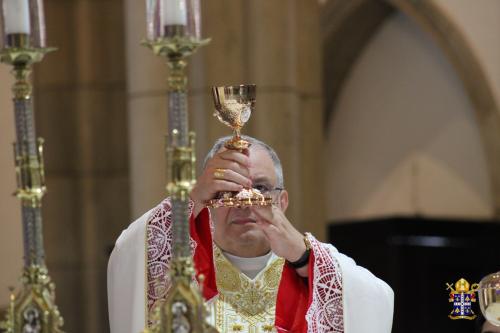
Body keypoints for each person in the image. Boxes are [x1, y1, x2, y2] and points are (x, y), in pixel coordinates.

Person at [107, 135, 394, 333]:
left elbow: (376, 299)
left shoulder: (317, 271)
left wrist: (303, 255)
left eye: (260, 188)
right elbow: (127, 258)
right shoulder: (178, 277)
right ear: (205, 204)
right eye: (225, 193)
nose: (244, 202)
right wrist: (188, 198)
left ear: (282, 202)